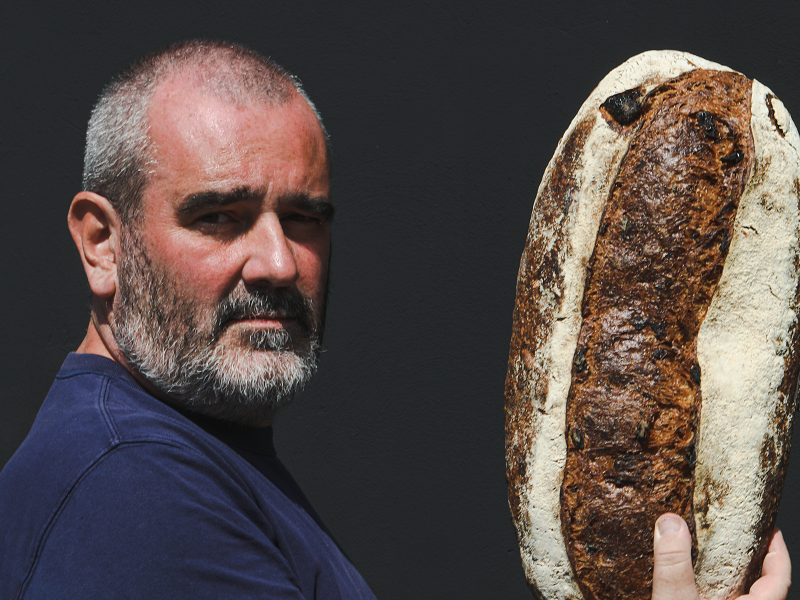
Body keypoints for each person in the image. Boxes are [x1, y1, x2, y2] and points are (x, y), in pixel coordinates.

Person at [0, 40, 791, 600]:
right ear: (102, 244)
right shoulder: (129, 490)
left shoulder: (190, 455)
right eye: (220, 217)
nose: (278, 262)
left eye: (304, 218)